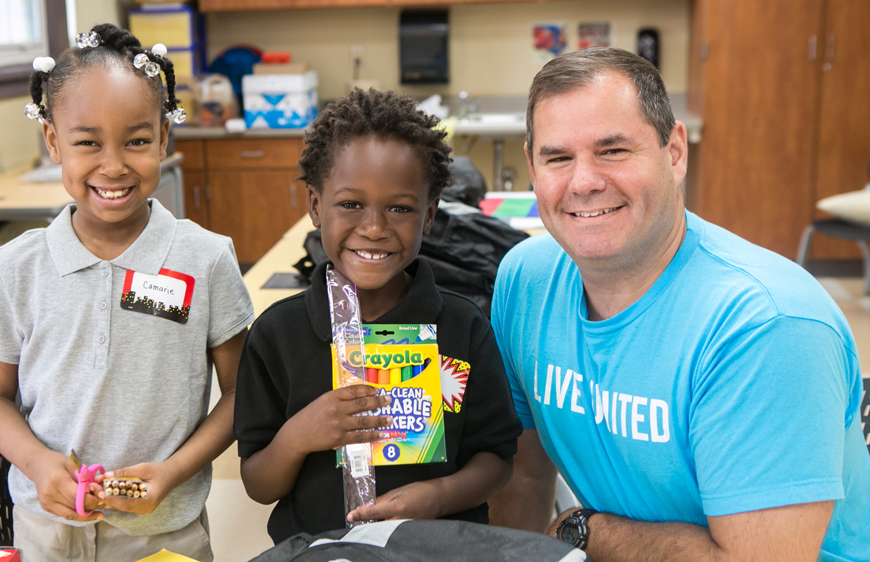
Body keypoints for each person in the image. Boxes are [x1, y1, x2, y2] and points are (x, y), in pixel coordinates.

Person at [489, 47, 870, 562]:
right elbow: (526, 474)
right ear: (533, 169)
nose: (583, 182)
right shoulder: (525, 281)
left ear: (674, 153)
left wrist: (585, 532)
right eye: (558, 158)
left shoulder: (766, 326)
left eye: (613, 150)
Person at [0, 24, 253, 562]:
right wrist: (36, 463)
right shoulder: (13, 268)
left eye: (137, 140)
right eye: (87, 142)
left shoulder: (208, 259)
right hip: (47, 529)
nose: (114, 164)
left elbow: (241, 395)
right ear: (53, 141)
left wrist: (172, 473)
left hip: (165, 531)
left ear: (164, 138)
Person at [234, 88, 523, 544]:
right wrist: (299, 436)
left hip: (435, 551)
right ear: (315, 206)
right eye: (351, 204)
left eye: (400, 208)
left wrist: (438, 496)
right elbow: (257, 483)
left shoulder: (464, 328)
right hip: (319, 552)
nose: (373, 228)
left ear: (429, 215)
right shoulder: (276, 335)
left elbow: (496, 460)